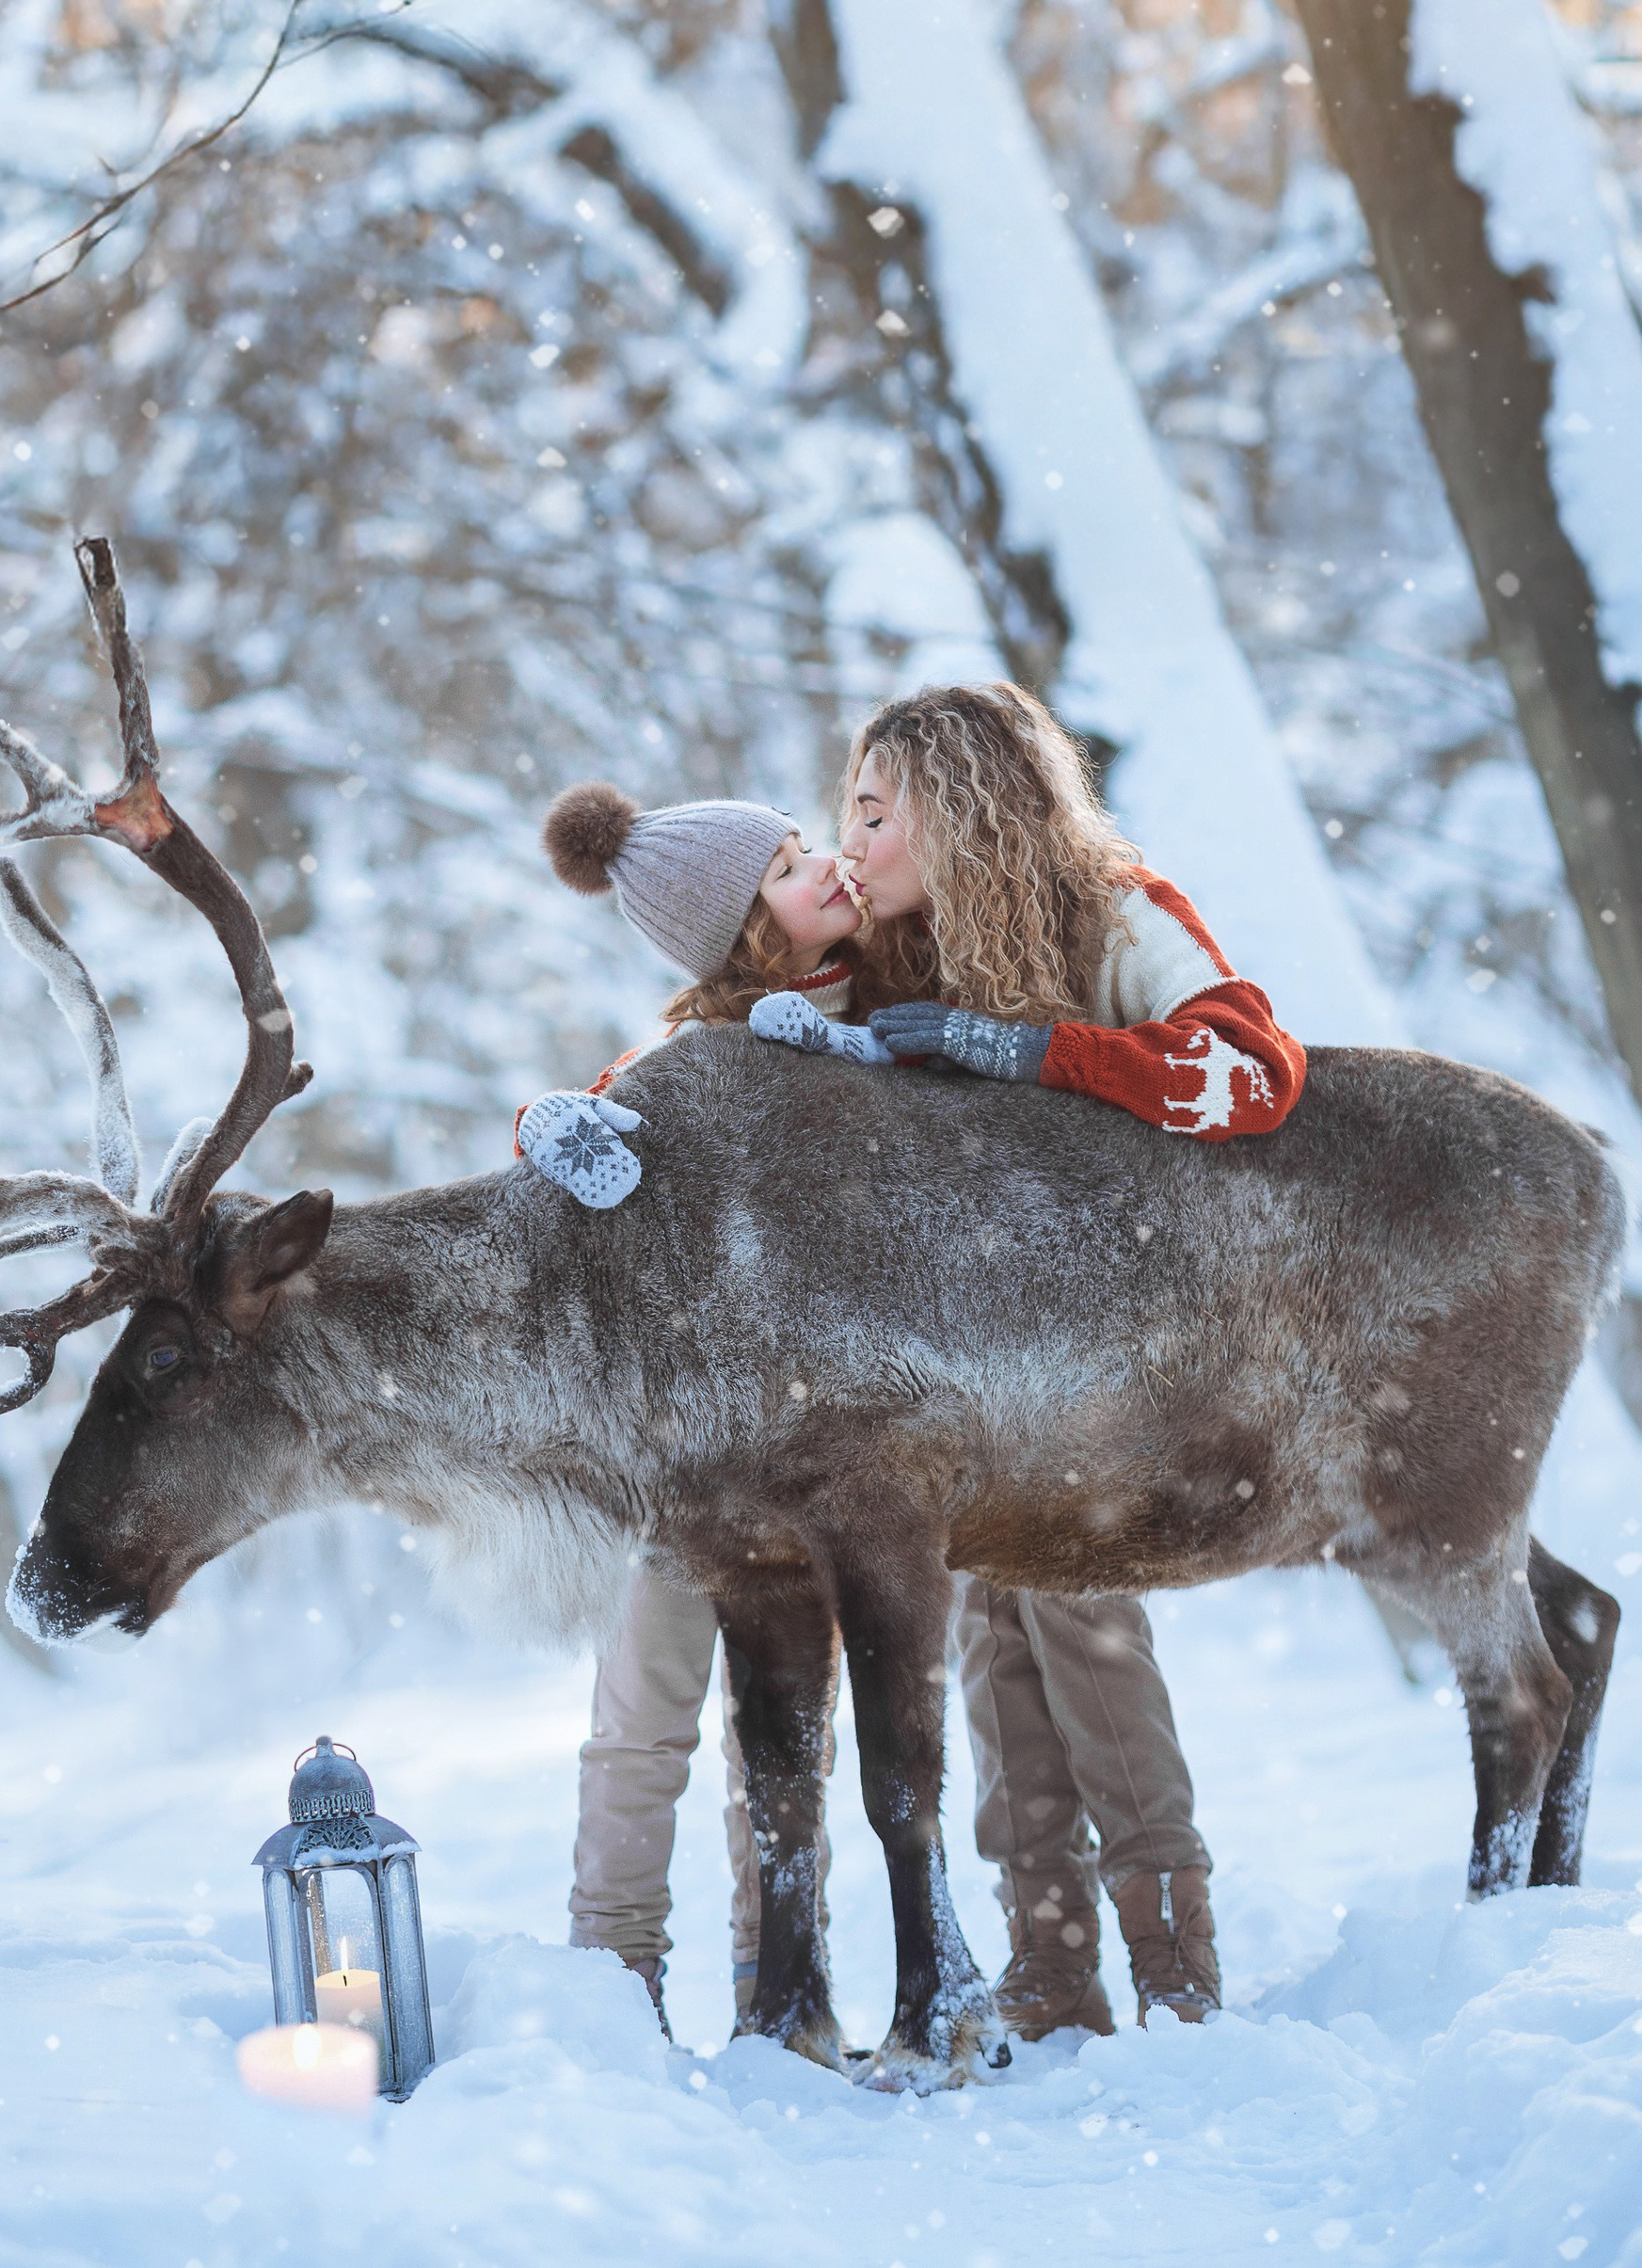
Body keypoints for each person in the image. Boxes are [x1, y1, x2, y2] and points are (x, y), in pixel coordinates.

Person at [755, 679, 1306, 2036]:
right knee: (993, 1630)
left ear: (959, 813)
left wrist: (1034, 1052)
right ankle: (1054, 1974)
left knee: (1079, 1615)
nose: (853, 848)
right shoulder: (897, 952)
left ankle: (1176, 1974)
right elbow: (717, 1025)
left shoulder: (1113, 907)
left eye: (876, 815)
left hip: (1144, 1341)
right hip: (979, 1370)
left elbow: (1253, 1071)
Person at [516, 781, 866, 2034]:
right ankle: (612, 1990)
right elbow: (578, 1151)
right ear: (738, 932)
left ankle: (784, 1993)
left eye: (804, 842)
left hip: (813, 1463)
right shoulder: (685, 1068)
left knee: (785, 1747)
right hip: (671, 1458)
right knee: (638, 1730)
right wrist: (551, 1127)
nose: (824, 863)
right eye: (786, 864)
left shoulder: (885, 1020)